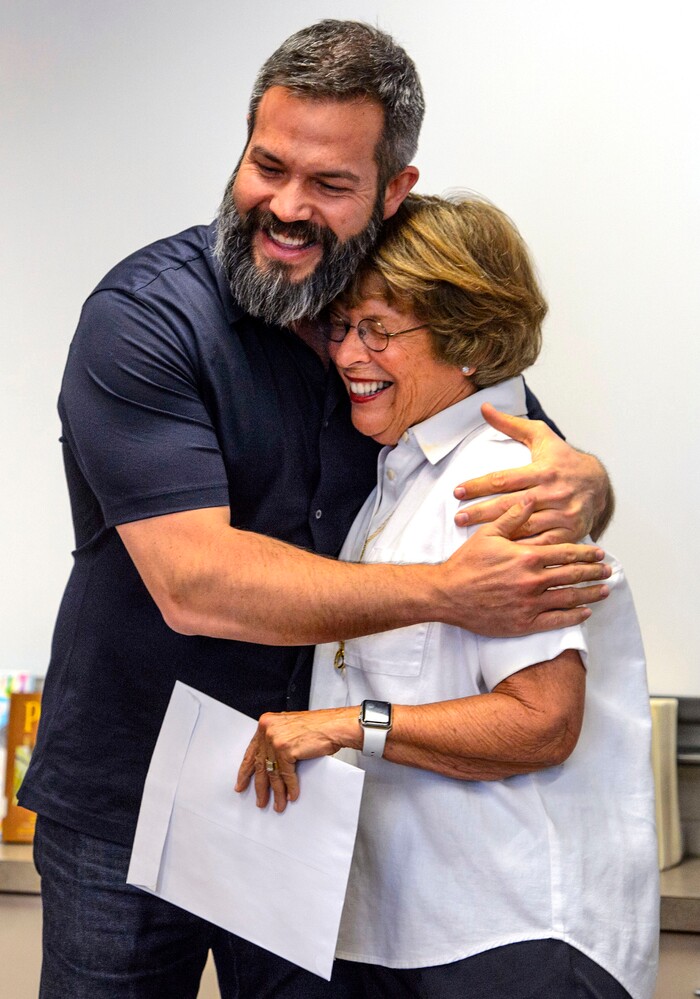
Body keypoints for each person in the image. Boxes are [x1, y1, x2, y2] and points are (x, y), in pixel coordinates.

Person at [20, 20, 613, 999]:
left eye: (330, 184)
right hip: (124, 803)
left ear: (392, 192)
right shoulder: (145, 320)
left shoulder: (404, 325)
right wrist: (446, 593)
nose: (286, 207)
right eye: (267, 165)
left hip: (314, 800)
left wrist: (585, 479)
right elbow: (196, 581)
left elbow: (524, 452)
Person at [236, 194, 658, 999]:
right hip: (409, 932)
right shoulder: (393, 484)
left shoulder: (504, 484)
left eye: (379, 330)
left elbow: (544, 721)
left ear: (467, 341)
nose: (350, 354)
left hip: (510, 934)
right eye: (341, 327)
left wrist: (344, 726)